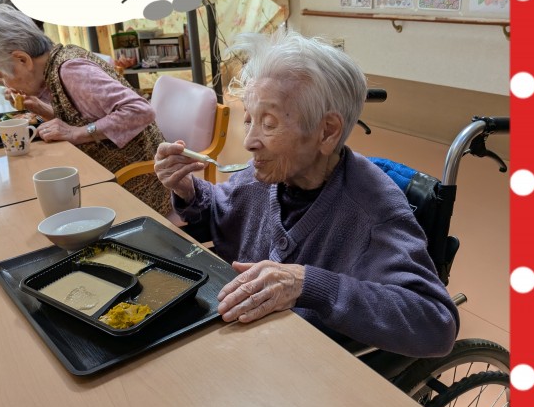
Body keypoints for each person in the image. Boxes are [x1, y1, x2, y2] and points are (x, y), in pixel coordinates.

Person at [153, 29, 459, 357]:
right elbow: (221, 211)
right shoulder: (264, 175)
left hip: (310, 364)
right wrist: (187, 189)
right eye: (249, 120)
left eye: (268, 123)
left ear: (327, 132)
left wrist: (307, 284)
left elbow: (435, 323)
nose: (249, 142)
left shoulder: (373, 212)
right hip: (249, 345)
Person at [0, 6, 171, 215]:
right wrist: (41, 109)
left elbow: (140, 111)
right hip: (109, 173)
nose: (5, 83)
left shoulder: (71, 70)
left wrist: (77, 133)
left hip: (140, 187)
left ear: (23, 60)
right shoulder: (56, 64)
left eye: (1, 75)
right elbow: (84, 116)